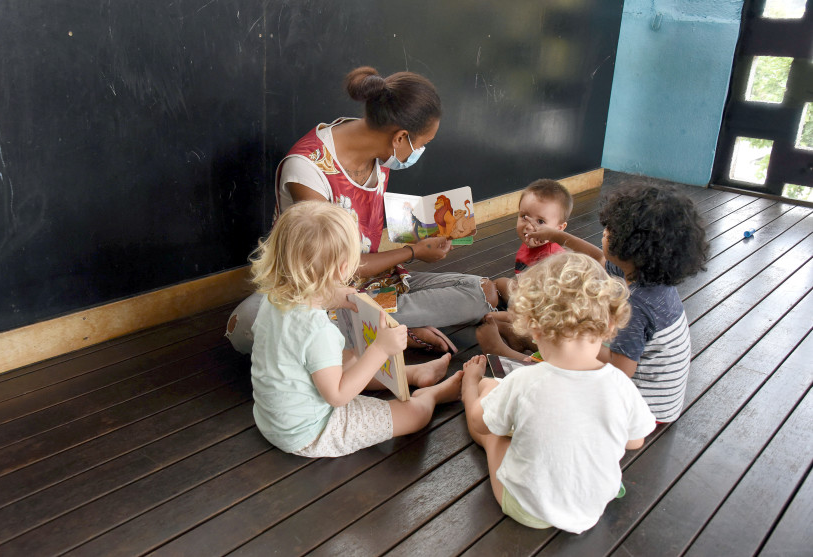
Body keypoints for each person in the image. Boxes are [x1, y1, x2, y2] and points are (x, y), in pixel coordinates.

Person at [226, 66, 498, 355]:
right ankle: (387, 329)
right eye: (421, 144)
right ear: (400, 137)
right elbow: (334, 267)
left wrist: (422, 236)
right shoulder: (307, 170)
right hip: (318, 291)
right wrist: (413, 252)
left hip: (372, 284)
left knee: (481, 292)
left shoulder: (378, 145)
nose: (419, 152)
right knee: (246, 326)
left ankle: (376, 328)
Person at [460, 252, 656, 533]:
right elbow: (635, 441)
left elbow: (480, 423)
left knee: (491, 423)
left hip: (529, 509)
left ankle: (469, 384)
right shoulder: (620, 384)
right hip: (591, 507)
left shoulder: (525, 381)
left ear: (534, 328)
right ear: (610, 325)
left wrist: (477, 388)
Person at [249, 201, 463, 458]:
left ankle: (415, 373)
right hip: (312, 431)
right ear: (342, 269)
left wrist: (330, 297)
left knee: (348, 359)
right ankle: (434, 395)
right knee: (414, 415)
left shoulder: (272, 300)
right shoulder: (318, 331)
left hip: (273, 418)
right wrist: (381, 348)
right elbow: (338, 396)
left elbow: (297, 345)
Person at [521, 183, 709, 422]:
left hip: (642, 412)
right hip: (656, 401)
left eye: (611, 231)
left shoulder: (638, 306)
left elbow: (620, 371)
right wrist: (558, 236)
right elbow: (599, 258)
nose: (604, 233)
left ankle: (509, 358)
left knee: (553, 378)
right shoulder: (648, 276)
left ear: (633, 247)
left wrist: (575, 339)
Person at [477, 179, 573, 359]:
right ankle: (514, 330)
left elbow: (550, 307)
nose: (529, 226)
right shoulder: (531, 245)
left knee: (490, 316)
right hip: (528, 299)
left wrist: (513, 315)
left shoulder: (554, 260)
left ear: (559, 229)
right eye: (524, 217)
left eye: (541, 221)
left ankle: (517, 332)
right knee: (501, 283)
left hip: (545, 315)